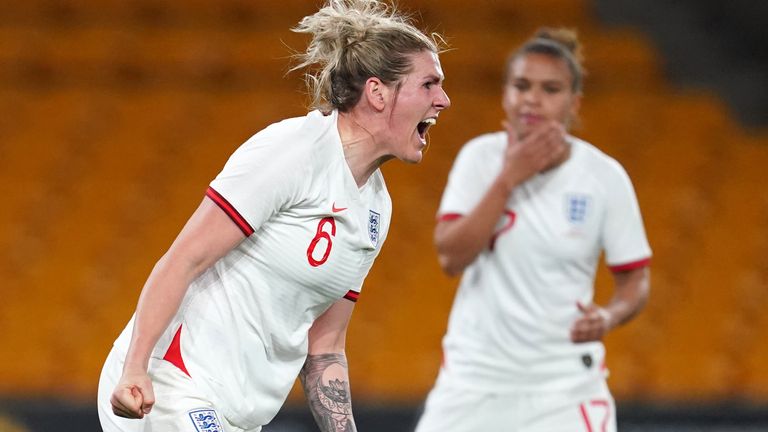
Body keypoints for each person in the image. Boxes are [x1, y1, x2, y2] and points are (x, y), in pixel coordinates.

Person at [97, 1, 450, 431]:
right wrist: (135, 368)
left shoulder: (376, 207)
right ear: (378, 93)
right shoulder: (293, 151)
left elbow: (326, 345)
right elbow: (182, 260)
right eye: (429, 84)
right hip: (170, 384)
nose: (444, 100)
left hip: (238, 414)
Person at [415, 28, 651, 432]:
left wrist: (609, 316)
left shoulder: (604, 177)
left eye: (550, 88)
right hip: (474, 382)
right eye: (521, 85)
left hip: (565, 387)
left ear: (573, 102)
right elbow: (450, 257)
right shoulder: (479, 159)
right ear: (506, 93)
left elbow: (636, 281)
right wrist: (509, 178)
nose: (532, 98)